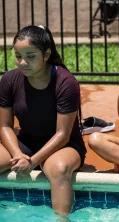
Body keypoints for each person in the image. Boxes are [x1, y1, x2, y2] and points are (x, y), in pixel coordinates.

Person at [0, 25, 86, 216]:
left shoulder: (66, 83)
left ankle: (61, 220)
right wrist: (18, 154)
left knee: (59, 169)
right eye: (18, 55)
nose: (22, 62)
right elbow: (5, 126)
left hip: (64, 146)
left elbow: (62, 135)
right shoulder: (9, 80)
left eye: (30, 56)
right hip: (25, 144)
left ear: (46, 55)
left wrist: (32, 162)